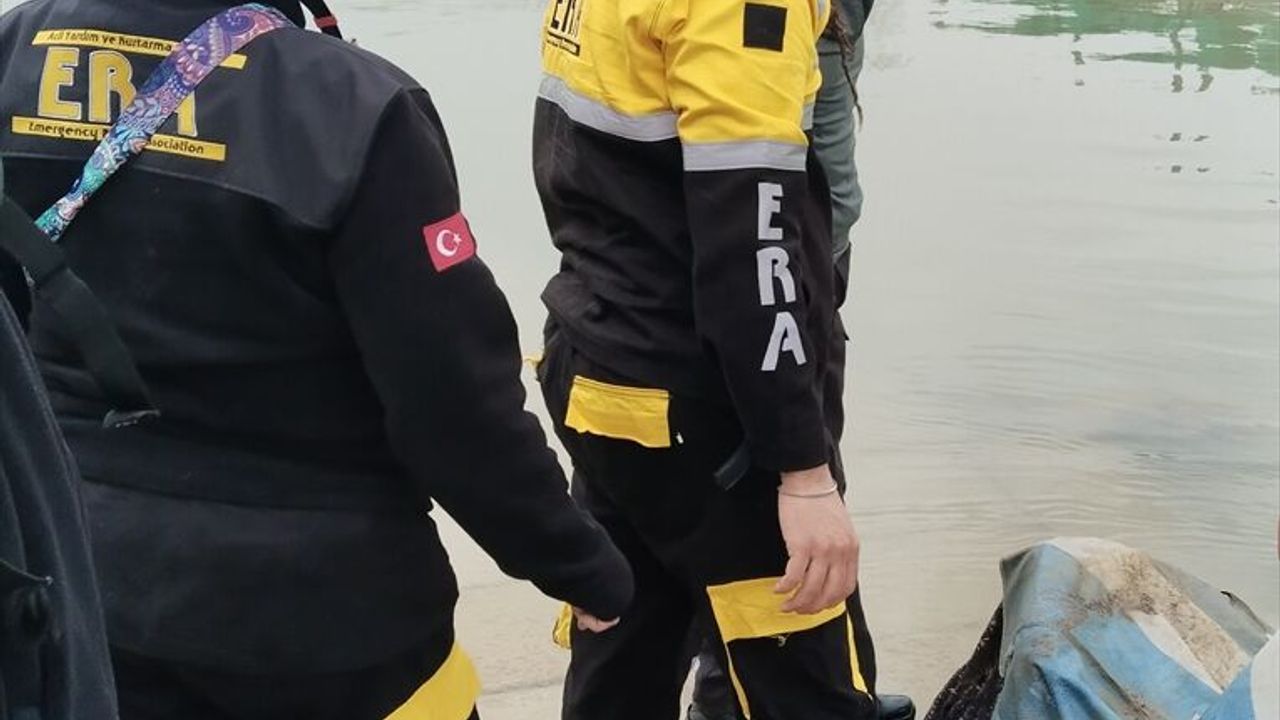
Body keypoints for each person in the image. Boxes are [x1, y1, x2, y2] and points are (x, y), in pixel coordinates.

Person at [0, 1, 632, 718]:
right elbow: (452, 404)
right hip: (323, 621)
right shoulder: (348, 102)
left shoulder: (17, 49)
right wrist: (574, 562)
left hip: (83, 589)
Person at [533, 0, 877, 718]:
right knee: (804, 685)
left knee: (622, 666)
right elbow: (752, 247)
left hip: (600, 367)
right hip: (703, 412)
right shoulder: (747, 11)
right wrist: (803, 472)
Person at [684, 2, 915, 719]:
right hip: (760, 291)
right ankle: (753, 690)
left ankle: (763, 681)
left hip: (776, 273)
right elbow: (749, 213)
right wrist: (805, 470)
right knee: (777, 517)